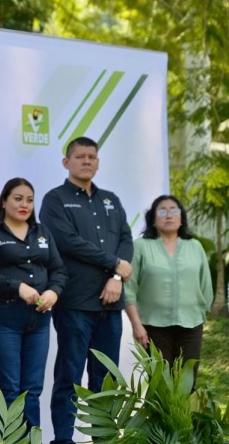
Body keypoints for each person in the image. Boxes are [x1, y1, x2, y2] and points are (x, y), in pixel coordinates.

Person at [39, 136, 133, 444]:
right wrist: (114, 263)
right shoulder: (55, 199)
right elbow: (67, 242)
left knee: (106, 379)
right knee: (69, 375)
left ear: (98, 162)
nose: (87, 161)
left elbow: (125, 240)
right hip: (75, 302)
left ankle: (103, 439)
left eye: (92, 157)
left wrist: (117, 277)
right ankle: (63, 439)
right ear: (66, 162)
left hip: (110, 305)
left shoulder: (110, 200)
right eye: (80, 157)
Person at [0, 177, 67, 429]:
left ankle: (31, 439)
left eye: (29, 200)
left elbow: (59, 270)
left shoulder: (42, 231)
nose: (24, 204)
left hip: (39, 319)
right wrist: (18, 287)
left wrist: (54, 292)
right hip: (2, 316)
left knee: (32, 390)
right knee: (9, 389)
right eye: (18, 198)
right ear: (4, 201)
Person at [124, 195, 213, 379]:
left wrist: (202, 314)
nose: (169, 215)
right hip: (152, 327)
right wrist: (136, 325)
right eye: (162, 211)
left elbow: (206, 284)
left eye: (174, 210)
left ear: (181, 218)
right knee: (160, 384)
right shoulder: (140, 246)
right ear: (153, 219)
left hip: (191, 324)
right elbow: (128, 289)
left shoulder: (195, 246)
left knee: (187, 383)